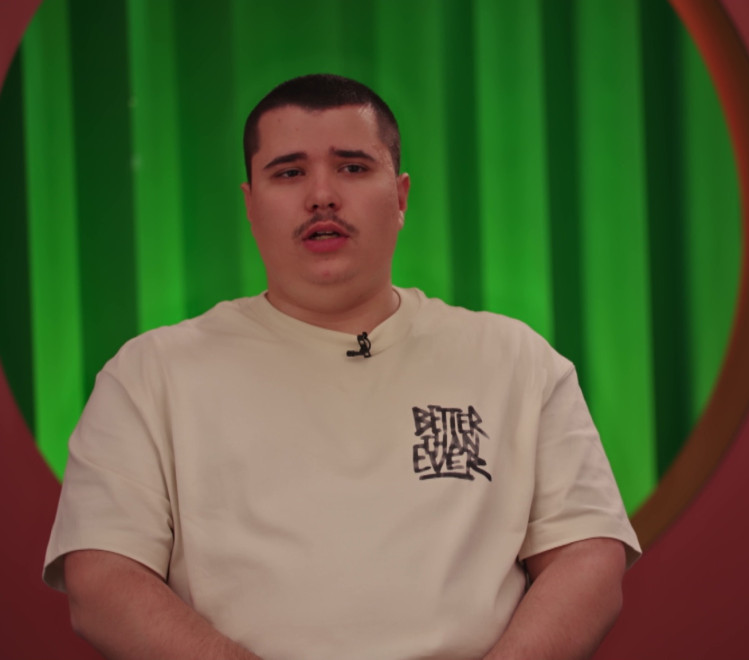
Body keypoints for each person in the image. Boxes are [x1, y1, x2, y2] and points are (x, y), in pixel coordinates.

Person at [43, 74, 640, 660]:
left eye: (352, 167)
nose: (321, 196)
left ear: (400, 196)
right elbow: (102, 580)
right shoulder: (150, 374)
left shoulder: (514, 359)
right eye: (289, 173)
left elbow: (586, 555)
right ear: (250, 204)